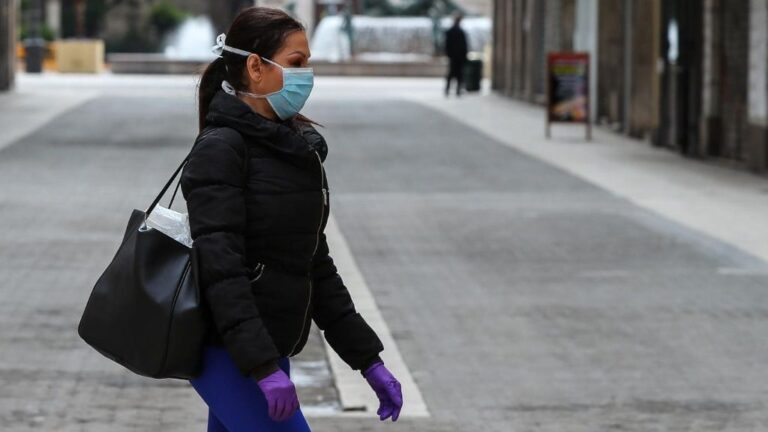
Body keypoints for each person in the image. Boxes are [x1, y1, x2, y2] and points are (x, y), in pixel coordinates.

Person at [180, 7, 403, 431]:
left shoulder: (292, 149)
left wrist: (367, 360)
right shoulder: (221, 149)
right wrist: (262, 367)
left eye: (308, 62)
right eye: (296, 63)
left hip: (265, 346)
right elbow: (220, 268)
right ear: (255, 67)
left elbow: (313, 264)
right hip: (229, 351)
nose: (307, 74)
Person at [444, 12, 468, 97]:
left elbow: (447, 45)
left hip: (454, 56)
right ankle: (456, 90)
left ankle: (448, 89)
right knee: (458, 74)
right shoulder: (460, 32)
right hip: (458, 56)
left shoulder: (451, 31)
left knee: (452, 73)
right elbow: (464, 45)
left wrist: (448, 54)